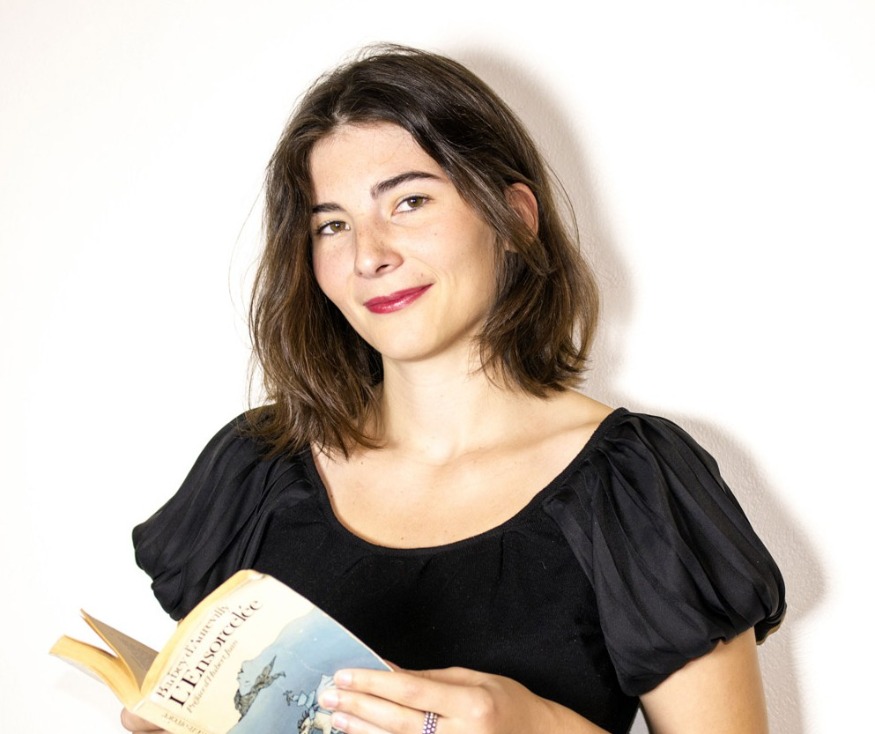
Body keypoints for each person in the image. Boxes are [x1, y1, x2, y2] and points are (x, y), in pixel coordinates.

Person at [122, 45, 785, 734]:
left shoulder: (635, 486)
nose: (368, 255)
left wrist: (541, 728)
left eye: (408, 202)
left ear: (514, 218)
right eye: (332, 224)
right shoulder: (254, 469)